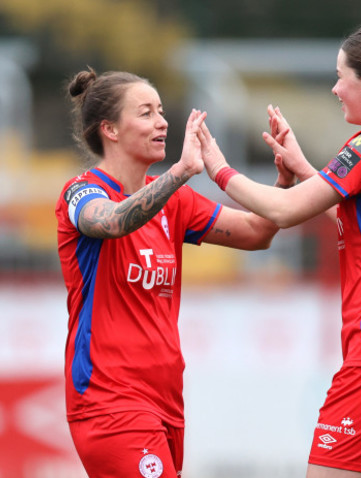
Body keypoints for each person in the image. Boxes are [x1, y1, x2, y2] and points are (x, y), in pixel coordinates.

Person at [197, 24, 361, 478]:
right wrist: (305, 169)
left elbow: (283, 212)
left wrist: (219, 170)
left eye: (341, 75)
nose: (335, 87)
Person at [55, 68, 288, 478]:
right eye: (146, 113)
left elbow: (257, 233)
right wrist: (179, 172)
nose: (162, 122)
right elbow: (110, 222)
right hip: (109, 401)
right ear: (109, 129)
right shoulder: (81, 191)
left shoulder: (175, 202)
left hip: (166, 401)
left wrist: (283, 182)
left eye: (161, 111)